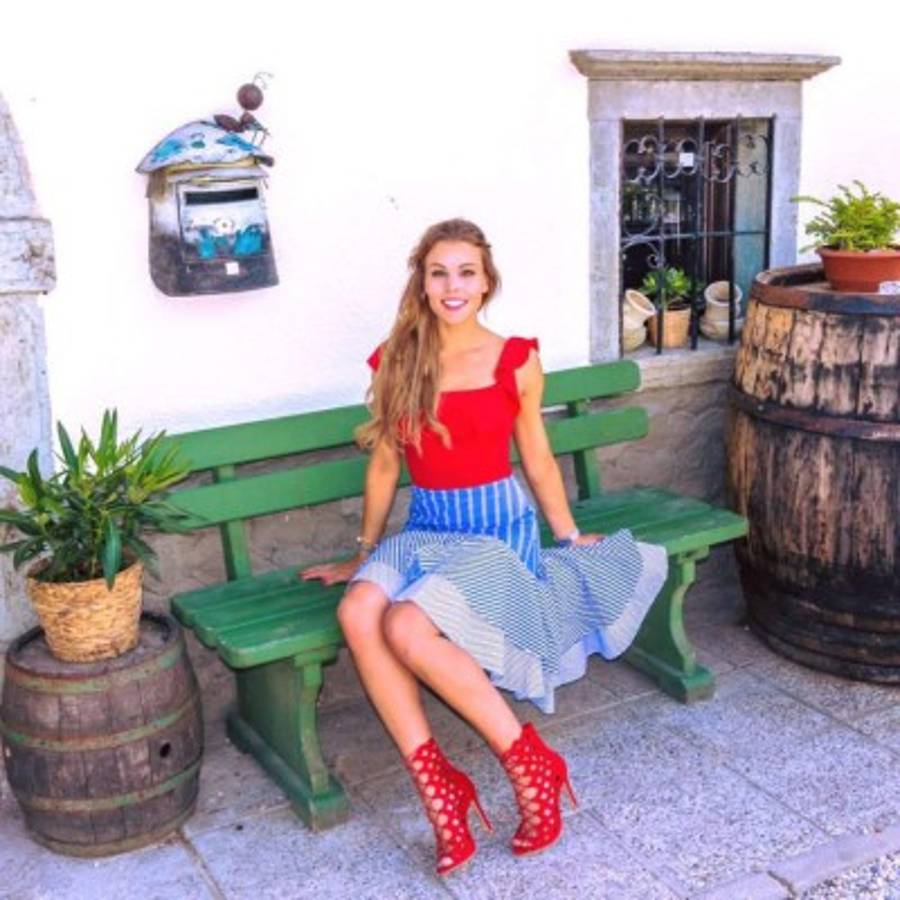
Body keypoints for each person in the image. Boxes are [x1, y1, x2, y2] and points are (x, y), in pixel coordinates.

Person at [301, 218, 667, 877]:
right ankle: (441, 790)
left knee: (405, 626)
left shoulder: (515, 360)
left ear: (487, 281)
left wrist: (566, 535)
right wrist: (363, 551)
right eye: (439, 273)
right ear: (422, 282)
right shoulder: (398, 359)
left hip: (496, 530)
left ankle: (530, 765)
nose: (453, 286)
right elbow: (384, 464)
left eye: (466, 273)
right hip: (428, 527)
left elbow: (537, 457)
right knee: (358, 611)